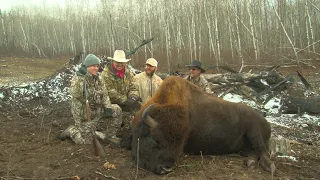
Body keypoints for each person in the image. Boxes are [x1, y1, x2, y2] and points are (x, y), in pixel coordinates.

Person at [59, 54, 122, 145]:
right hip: (84, 116)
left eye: (97, 66)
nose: (96, 68)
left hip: (97, 110)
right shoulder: (78, 79)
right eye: (93, 66)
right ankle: (72, 131)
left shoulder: (98, 78)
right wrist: (81, 79)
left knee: (116, 109)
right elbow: (76, 94)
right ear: (86, 66)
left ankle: (111, 136)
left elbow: (104, 94)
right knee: (86, 142)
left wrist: (107, 107)